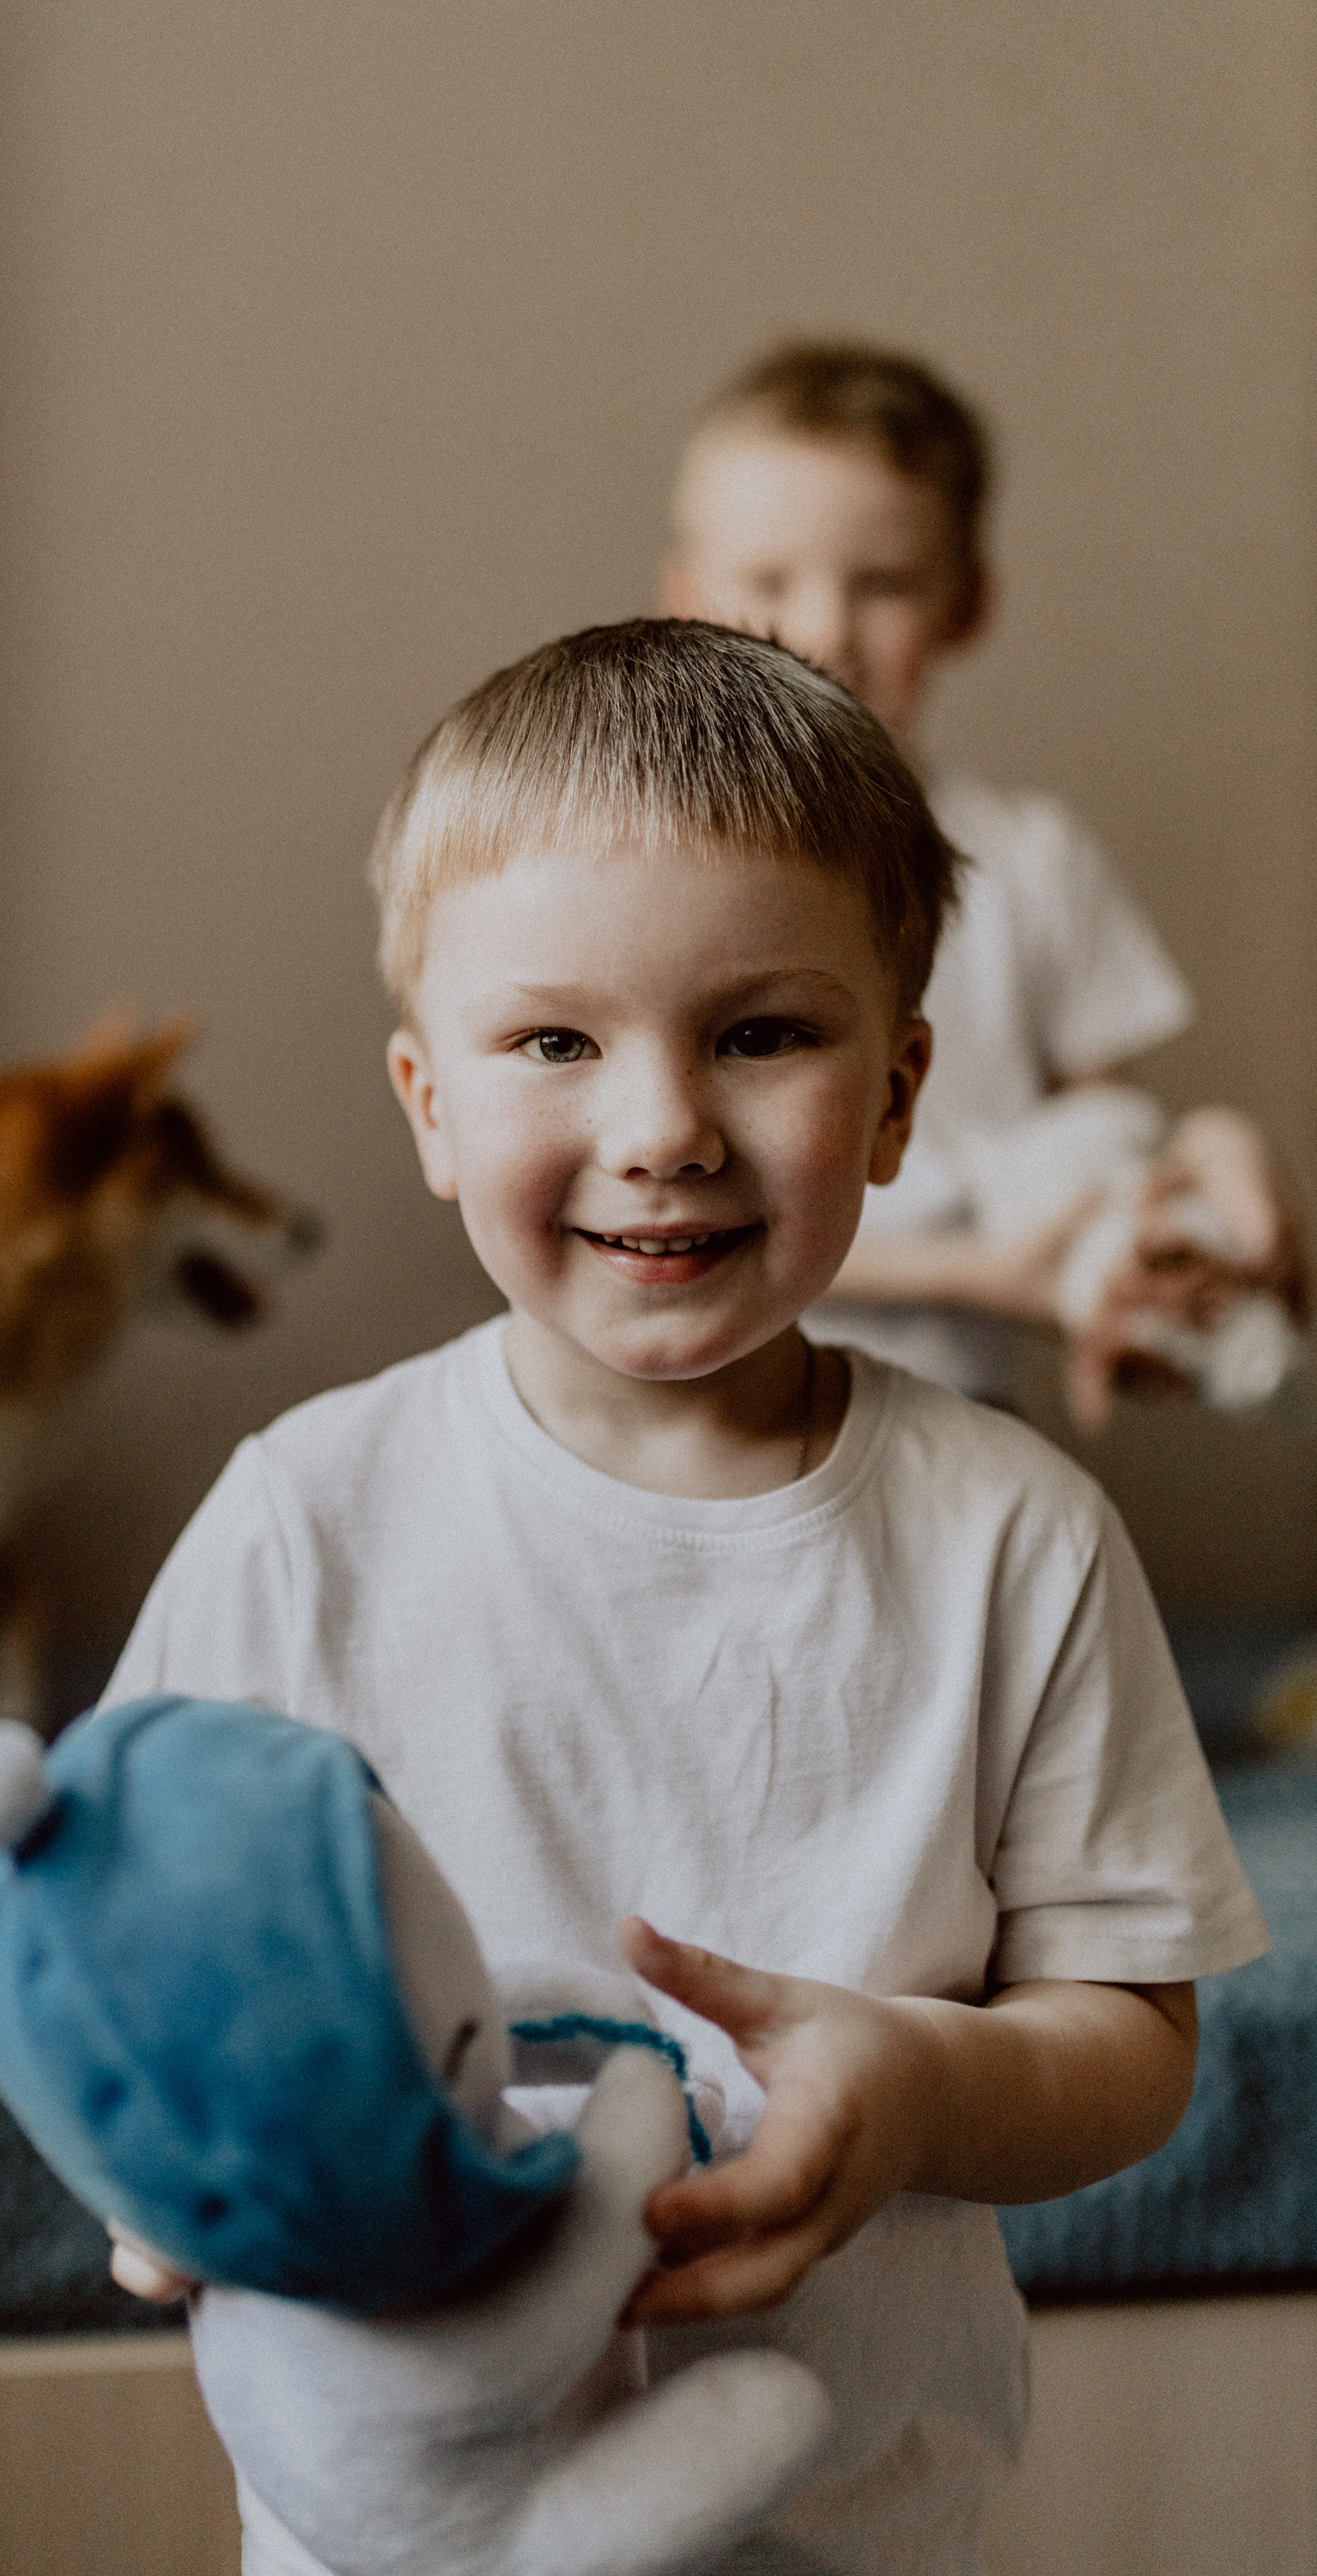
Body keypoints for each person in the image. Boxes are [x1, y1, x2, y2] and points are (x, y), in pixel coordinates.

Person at [100, 623, 1266, 2575]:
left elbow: (1130, 2038)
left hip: (846, 2523)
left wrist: (921, 2087)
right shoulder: (306, 1522)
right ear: (428, 1104)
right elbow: (126, 1937)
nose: (661, 1128)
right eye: (555, 1042)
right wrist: (164, 2156)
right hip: (397, 2528)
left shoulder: (1015, 1537)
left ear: (896, 1096)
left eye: (760, 1033)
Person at [659, 340, 1304, 1413]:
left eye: (882, 585)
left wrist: (1191, 1189)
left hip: (952, 1410)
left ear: (964, 606)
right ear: (685, 600)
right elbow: (673, 1200)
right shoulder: (656, 869)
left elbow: (1098, 1148)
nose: (822, 629)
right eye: (768, 582)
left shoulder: (1032, 862)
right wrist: (978, 1277)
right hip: (709, 1398)